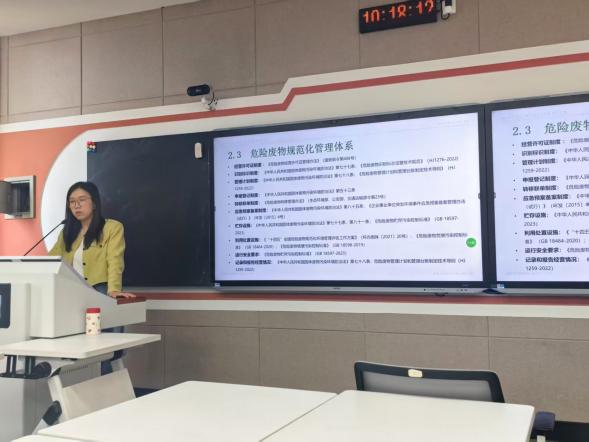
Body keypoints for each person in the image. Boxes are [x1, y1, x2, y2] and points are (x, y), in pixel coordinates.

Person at [48, 181, 134, 299]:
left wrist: (114, 290)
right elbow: (51, 260)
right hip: (70, 291)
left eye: (82, 200)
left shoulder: (112, 228)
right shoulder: (66, 232)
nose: (76, 205)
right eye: (72, 201)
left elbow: (115, 261)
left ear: (94, 203)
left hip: (100, 290)